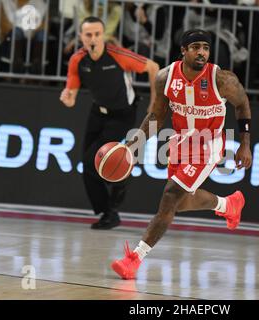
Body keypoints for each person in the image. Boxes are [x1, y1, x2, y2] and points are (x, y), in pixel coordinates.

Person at [111, 29, 253, 280]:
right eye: (196, 47)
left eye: (206, 48)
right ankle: (228, 204)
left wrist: (245, 143)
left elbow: (242, 104)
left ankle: (134, 258)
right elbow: (156, 116)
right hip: (179, 142)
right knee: (181, 202)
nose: (202, 52)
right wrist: (133, 145)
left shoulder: (222, 79)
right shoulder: (165, 77)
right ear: (183, 51)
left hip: (208, 144)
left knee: (169, 197)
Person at [60, 16, 159, 230]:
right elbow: (72, 94)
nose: (93, 38)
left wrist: (154, 101)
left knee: (92, 161)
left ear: (103, 35)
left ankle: (117, 190)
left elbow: (153, 67)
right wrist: (67, 97)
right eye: (88, 35)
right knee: (87, 166)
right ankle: (109, 211)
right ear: (81, 37)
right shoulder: (78, 60)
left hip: (122, 114)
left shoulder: (117, 55)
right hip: (98, 112)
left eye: (97, 34)